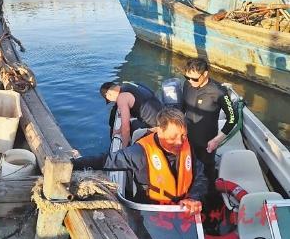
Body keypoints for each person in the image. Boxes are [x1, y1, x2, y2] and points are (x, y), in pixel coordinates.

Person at [73, 107, 207, 238]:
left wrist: (194, 197)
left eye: (183, 135)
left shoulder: (186, 147)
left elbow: (200, 176)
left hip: (183, 213)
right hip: (153, 216)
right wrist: (73, 164)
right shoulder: (139, 153)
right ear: (160, 131)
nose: (179, 142)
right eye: (173, 137)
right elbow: (105, 160)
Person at [182, 58, 238, 190]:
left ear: (205, 74)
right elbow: (182, 108)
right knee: (187, 170)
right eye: (187, 77)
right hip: (187, 139)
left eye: (194, 79)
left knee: (207, 175)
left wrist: (217, 140)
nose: (190, 81)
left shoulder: (218, 92)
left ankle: (209, 202)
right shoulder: (187, 85)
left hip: (207, 142)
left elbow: (232, 117)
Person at [100, 81, 163, 147]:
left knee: (136, 135)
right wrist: (119, 130)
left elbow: (126, 129)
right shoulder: (128, 85)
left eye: (109, 100)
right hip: (164, 117)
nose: (113, 101)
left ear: (109, 94)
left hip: (159, 127)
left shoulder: (122, 98)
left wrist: (124, 150)